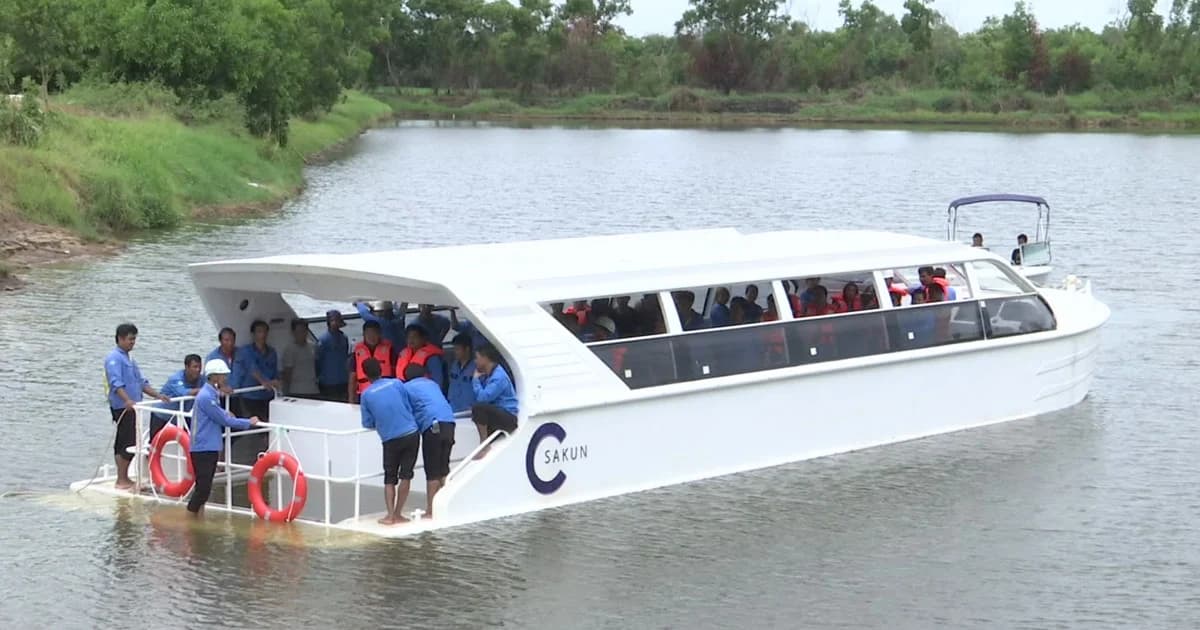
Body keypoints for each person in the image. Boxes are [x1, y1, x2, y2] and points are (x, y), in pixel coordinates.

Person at [188, 359, 259, 516]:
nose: (225, 378)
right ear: (214, 376)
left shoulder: (211, 394)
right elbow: (224, 420)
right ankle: (190, 519)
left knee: (204, 488)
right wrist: (249, 422)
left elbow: (220, 415)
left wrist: (225, 414)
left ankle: (197, 517)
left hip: (209, 446)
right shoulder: (207, 397)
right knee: (203, 488)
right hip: (203, 447)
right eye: (222, 375)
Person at [104, 323, 169, 491]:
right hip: (124, 407)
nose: (133, 343)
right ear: (120, 338)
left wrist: (157, 395)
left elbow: (141, 382)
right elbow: (115, 383)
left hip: (135, 407)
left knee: (129, 440)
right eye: (130, 339)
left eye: (134, 339)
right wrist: (127, 401)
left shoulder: (130, 359)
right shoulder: (114, 358)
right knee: (127, 441)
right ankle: (122, 478)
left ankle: (123, 477)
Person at [359, 359, 420, 525]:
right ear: (381, 369)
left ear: (365, 374)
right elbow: (408, 406)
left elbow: (367, 422)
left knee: (390, 477)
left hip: (390, 438)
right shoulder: (396, 383)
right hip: (412, 432)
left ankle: (391, 515)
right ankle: (399, 513)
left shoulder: (366, 395)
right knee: (406, 474)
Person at [403, 364, 455, 518]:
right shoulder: (432, 384)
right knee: (444, 469)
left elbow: (405, 409)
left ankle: (431, 511)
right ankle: (449, 505)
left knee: (432, 471)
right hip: (449, 423)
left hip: (433, 426)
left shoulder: (407, 388)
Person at [470, 345, 519, 454]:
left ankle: (484, 444)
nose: (475, 361)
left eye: (477, 358)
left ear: (485, 358)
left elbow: (483, 398)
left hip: (508, 417)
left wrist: (475, 380)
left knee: (479, 408)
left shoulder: (498, 377)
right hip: (497, 413)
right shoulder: (489, 375)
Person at [230, 319, 279, 421]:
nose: (263, 335)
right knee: (253, 424)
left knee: (267, 423)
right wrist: (265, 382)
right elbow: (253, 369)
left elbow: (275, 372)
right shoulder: (245, 351)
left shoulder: (272, 352)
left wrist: (276, 382)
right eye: (260, 331)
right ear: (253, 334)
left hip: (268, 395)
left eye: (265, 331)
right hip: (250, 396)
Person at [150, 354, 203, 442]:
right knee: (155, 443)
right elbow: (183, 393)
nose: (198, 370)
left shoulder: (201, 379)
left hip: (181, 416)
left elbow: (211, 385)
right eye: (195, 367)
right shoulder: (175, 378)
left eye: (200, 367)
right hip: (162, 414)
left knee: (188, 440)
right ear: (186, 367)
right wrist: (204, 390)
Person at [351, 320, 394, 403]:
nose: (371, 336)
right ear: (363, 334)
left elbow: (395, 373)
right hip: (364, 393)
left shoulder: (390, 349)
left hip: (385, 393)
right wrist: (352, 399)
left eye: (374, 333)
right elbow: (352, 376)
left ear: (380, 334)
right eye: (369, 333)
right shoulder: (357, 350)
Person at [395, 324, 446, 392]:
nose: (411, 340)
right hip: (406, 392)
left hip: (424, 393)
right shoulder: (403, 354)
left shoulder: (432, 358)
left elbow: (438, 382)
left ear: (423, 339)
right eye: (409, 337)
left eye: (414, 337)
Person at [315, 309, 350, 402]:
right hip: (328, 382)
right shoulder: (323, 339)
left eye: (338, 320)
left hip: (343, 380)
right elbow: (318, 360)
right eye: (334, 320)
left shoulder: (344, 338)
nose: (336, 323)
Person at [281, 318, 319, 398]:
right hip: (297, 391)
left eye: (304, 331)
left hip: (313, 390)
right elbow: (287, 374)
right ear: (293, 332)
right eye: (298, 331)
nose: (301, 334)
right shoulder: (290, 349)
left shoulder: (312, 346)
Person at [447, 333, 476, 413]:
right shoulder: (454, 365)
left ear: (467, 349)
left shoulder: (477, 367)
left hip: (469, 409)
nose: (455, 352)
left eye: (457, 349)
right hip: (453, 407)